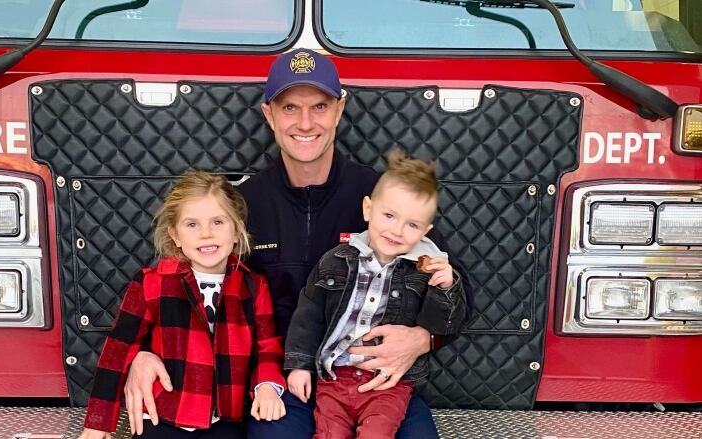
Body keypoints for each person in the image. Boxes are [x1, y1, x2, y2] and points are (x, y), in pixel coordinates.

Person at [124, 49, 460, 439]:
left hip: (375, 380)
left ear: (339, 109)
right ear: (269, 114)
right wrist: (143, 352)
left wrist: (423, 339)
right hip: (279, 380)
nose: (305, 122)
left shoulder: (381, 198)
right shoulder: (244, 204)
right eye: (289, 108)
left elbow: (451, 282)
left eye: (319, 106)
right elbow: (180, 281)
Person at [78, 171, 286, 439]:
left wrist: (266, 385)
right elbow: (117, 351)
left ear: (237, 230)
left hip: (224, 419)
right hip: (163, 416)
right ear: (175, 235)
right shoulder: (152, 283)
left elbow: (267, 347)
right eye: (192, 225)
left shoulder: (253, 286)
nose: (206, 234)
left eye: (218, 222)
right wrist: (97, 423)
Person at [284, 150, 466, 439]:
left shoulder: (426, 270)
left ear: (426, 231)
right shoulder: (337, 260)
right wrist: (299, 365)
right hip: (333, 378)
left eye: (412, 225)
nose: (397, 230)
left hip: (388, 384)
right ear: (368, 209)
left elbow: (438, 325)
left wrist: (444, 290)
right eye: (389, 215)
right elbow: (309, 316)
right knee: (328, 434)